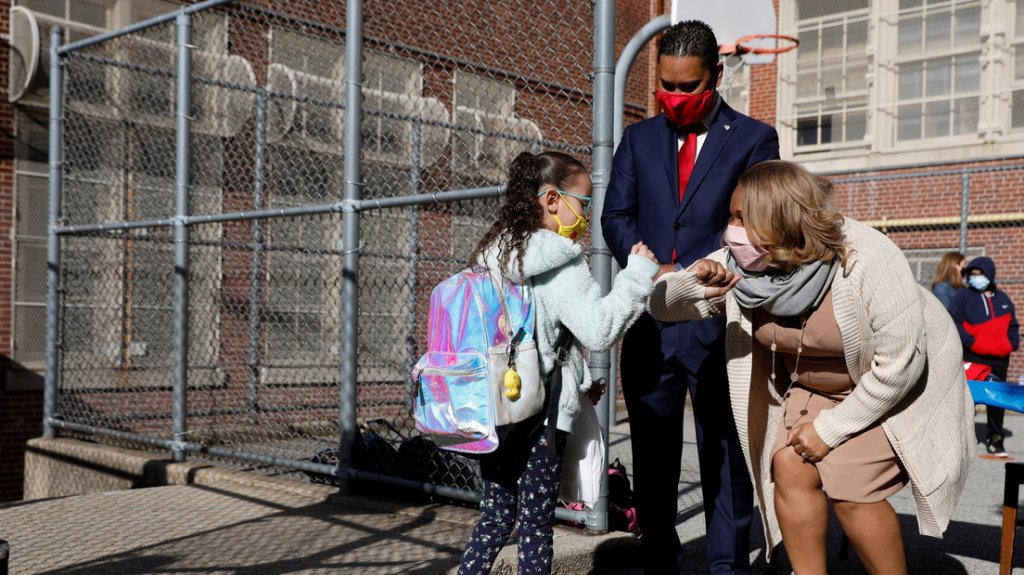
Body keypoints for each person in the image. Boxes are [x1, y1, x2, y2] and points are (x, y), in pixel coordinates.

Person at [648, 160, 975, 575]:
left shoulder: (867, 257)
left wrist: (829, 430)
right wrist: (693, 282)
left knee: (852, 490)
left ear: (781, 220)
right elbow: (661, 308)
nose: (730, 229)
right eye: (731, 216)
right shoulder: (743, 260)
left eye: (741, 218)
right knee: (788, 465)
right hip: (812, 388)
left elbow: (900, 366)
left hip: (895, 390)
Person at [601, 19, 779, 574]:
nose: (675, 98)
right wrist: (645, 261)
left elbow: (763, 221)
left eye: (688, 87)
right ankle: (661, 559)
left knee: (724, 451)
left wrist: (715, 265)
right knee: (653, 454)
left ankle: (726, 565)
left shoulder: (754, 139)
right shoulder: (638, 139)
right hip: (651, 318)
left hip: (719, 318)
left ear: (716, 75)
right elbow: (615, 215)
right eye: (667, 86)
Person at [457, 150, 659, 575]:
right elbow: (598, 330)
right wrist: (637, 275)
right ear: (552, 201)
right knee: (534, 527)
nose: (586, 216)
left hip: (493, 407)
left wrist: (579, 381)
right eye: (583, 204)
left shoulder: (495, 253)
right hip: (539, 416)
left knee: (496, 516)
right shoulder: (561, 260)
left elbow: (532, 333)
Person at [948, 256, 1020, 458]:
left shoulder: (1003, 299)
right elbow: (953, 320)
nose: (976, 278)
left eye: (980, 274)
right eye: (972, 274)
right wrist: (969, 342)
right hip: (973, 356)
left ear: (989, 275)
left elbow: (1013, 325)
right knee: (967, 398)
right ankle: (959, 440)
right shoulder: (963, 297)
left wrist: (1011, 344)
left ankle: (996, 440)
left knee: (997, 401)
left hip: (999, 359)